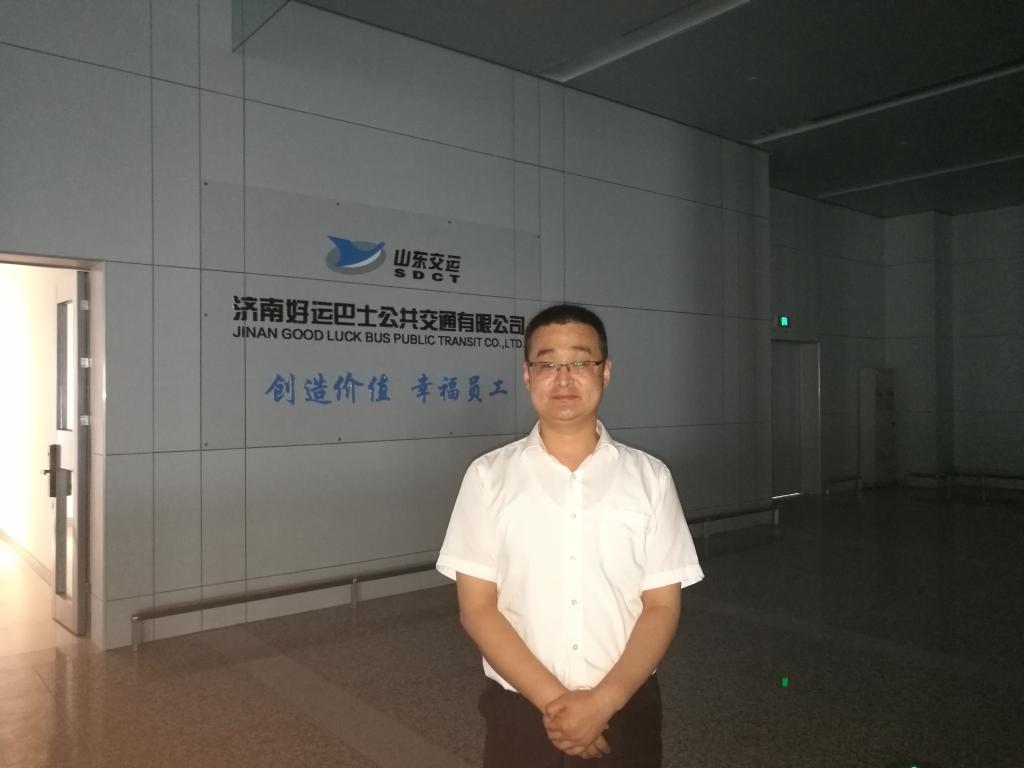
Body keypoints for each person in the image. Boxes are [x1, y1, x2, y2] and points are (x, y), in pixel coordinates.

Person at [437, 303, 704, 767]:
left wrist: (602, 703)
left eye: (580, 361)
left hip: (626, 709)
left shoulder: (650, 478)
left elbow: (662, 605)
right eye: (548, 364)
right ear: (528, 375)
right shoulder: (487, 477)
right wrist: (558, 707)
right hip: (520, 713)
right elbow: (477, 608)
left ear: (605, 372)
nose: (563, 378)